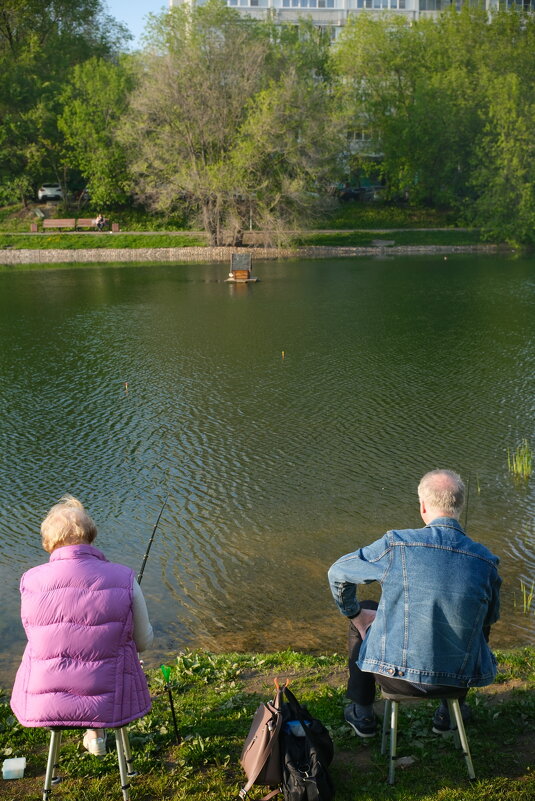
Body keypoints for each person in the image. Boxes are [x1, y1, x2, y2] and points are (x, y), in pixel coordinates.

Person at [328, 469, 501, 738]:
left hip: (393, 676)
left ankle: (362, 713)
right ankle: (448, 713)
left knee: (365, 606)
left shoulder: (396, 544)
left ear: (422, 506)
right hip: (457, 679)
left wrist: (355, 613)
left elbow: (338, 573)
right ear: (459, 505)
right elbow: (490, 618)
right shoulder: (486, 561)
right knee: (479, 618)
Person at [11, 495, 153, 756]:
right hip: (111, 702)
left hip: (47, 701)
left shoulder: (29, 581)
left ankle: (90, 738)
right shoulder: (124, 577)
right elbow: (143, 642)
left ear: (49, 541)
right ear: (90, 535)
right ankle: (98, 734)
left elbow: (40, 639)